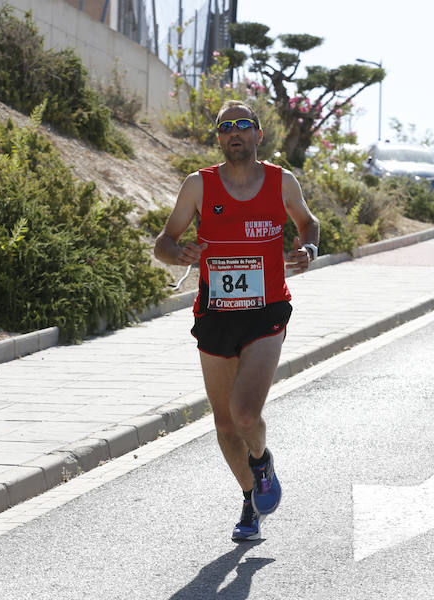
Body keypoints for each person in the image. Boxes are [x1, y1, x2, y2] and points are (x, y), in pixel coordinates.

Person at [154, 100, 320, 541]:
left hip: (266, 310)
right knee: (224, 423)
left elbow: (309, 224)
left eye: (243, 125)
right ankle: (250, 498)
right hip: (215, 314)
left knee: (245, 413)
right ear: (220, 137)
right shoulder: (199, 185)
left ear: (257, 134)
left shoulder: (282, 182)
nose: (234, 132)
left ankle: (262, 460)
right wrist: (178, 253)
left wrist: (309, 250)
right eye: (225, 127)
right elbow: (163, 242)